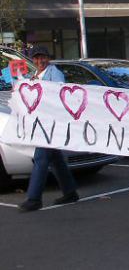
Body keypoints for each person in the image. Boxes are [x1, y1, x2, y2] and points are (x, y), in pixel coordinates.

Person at [18, 46, 80, 212]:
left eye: (43, 57)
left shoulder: (54, 74)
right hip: (41, 123)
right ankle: (70, 191)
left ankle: (34, 198)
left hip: (51, 124)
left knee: (41, 158)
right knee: (55, 159)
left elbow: (58, 96)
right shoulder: (34, 76)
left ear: (48, 58)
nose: (40, 61)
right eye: (36, 58)